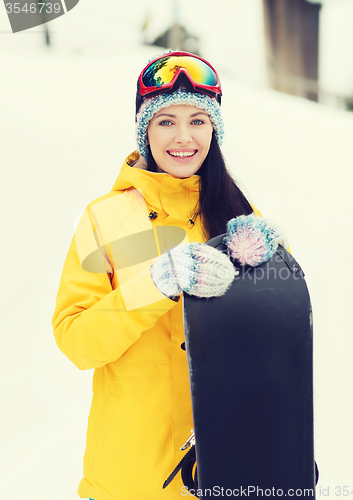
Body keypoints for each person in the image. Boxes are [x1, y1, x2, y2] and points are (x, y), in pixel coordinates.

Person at [52, 51, 287, 500]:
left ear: (214, 129)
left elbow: (281, 339)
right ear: (145, 129)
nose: (184, 137)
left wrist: (273, 268)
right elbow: (77, 342)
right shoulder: (108, 220)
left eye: (198, 120)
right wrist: (156, 283)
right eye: (165, 122)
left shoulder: (239, 217)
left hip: (227, 468)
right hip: (130, 481)